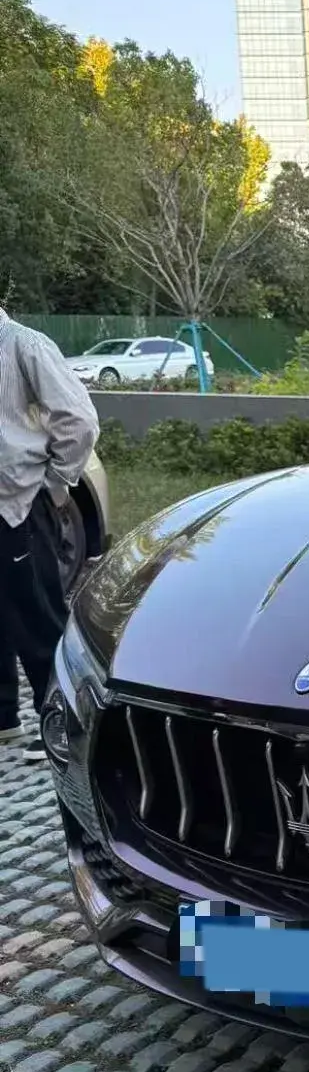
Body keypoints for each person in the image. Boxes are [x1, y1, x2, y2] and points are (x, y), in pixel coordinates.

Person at [0, 307, 100, 761]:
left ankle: (58, 724)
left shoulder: (25, 345)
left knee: (38, 613)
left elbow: (78, 420)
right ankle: (4, 718)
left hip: (20, 502)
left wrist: (56, 482)